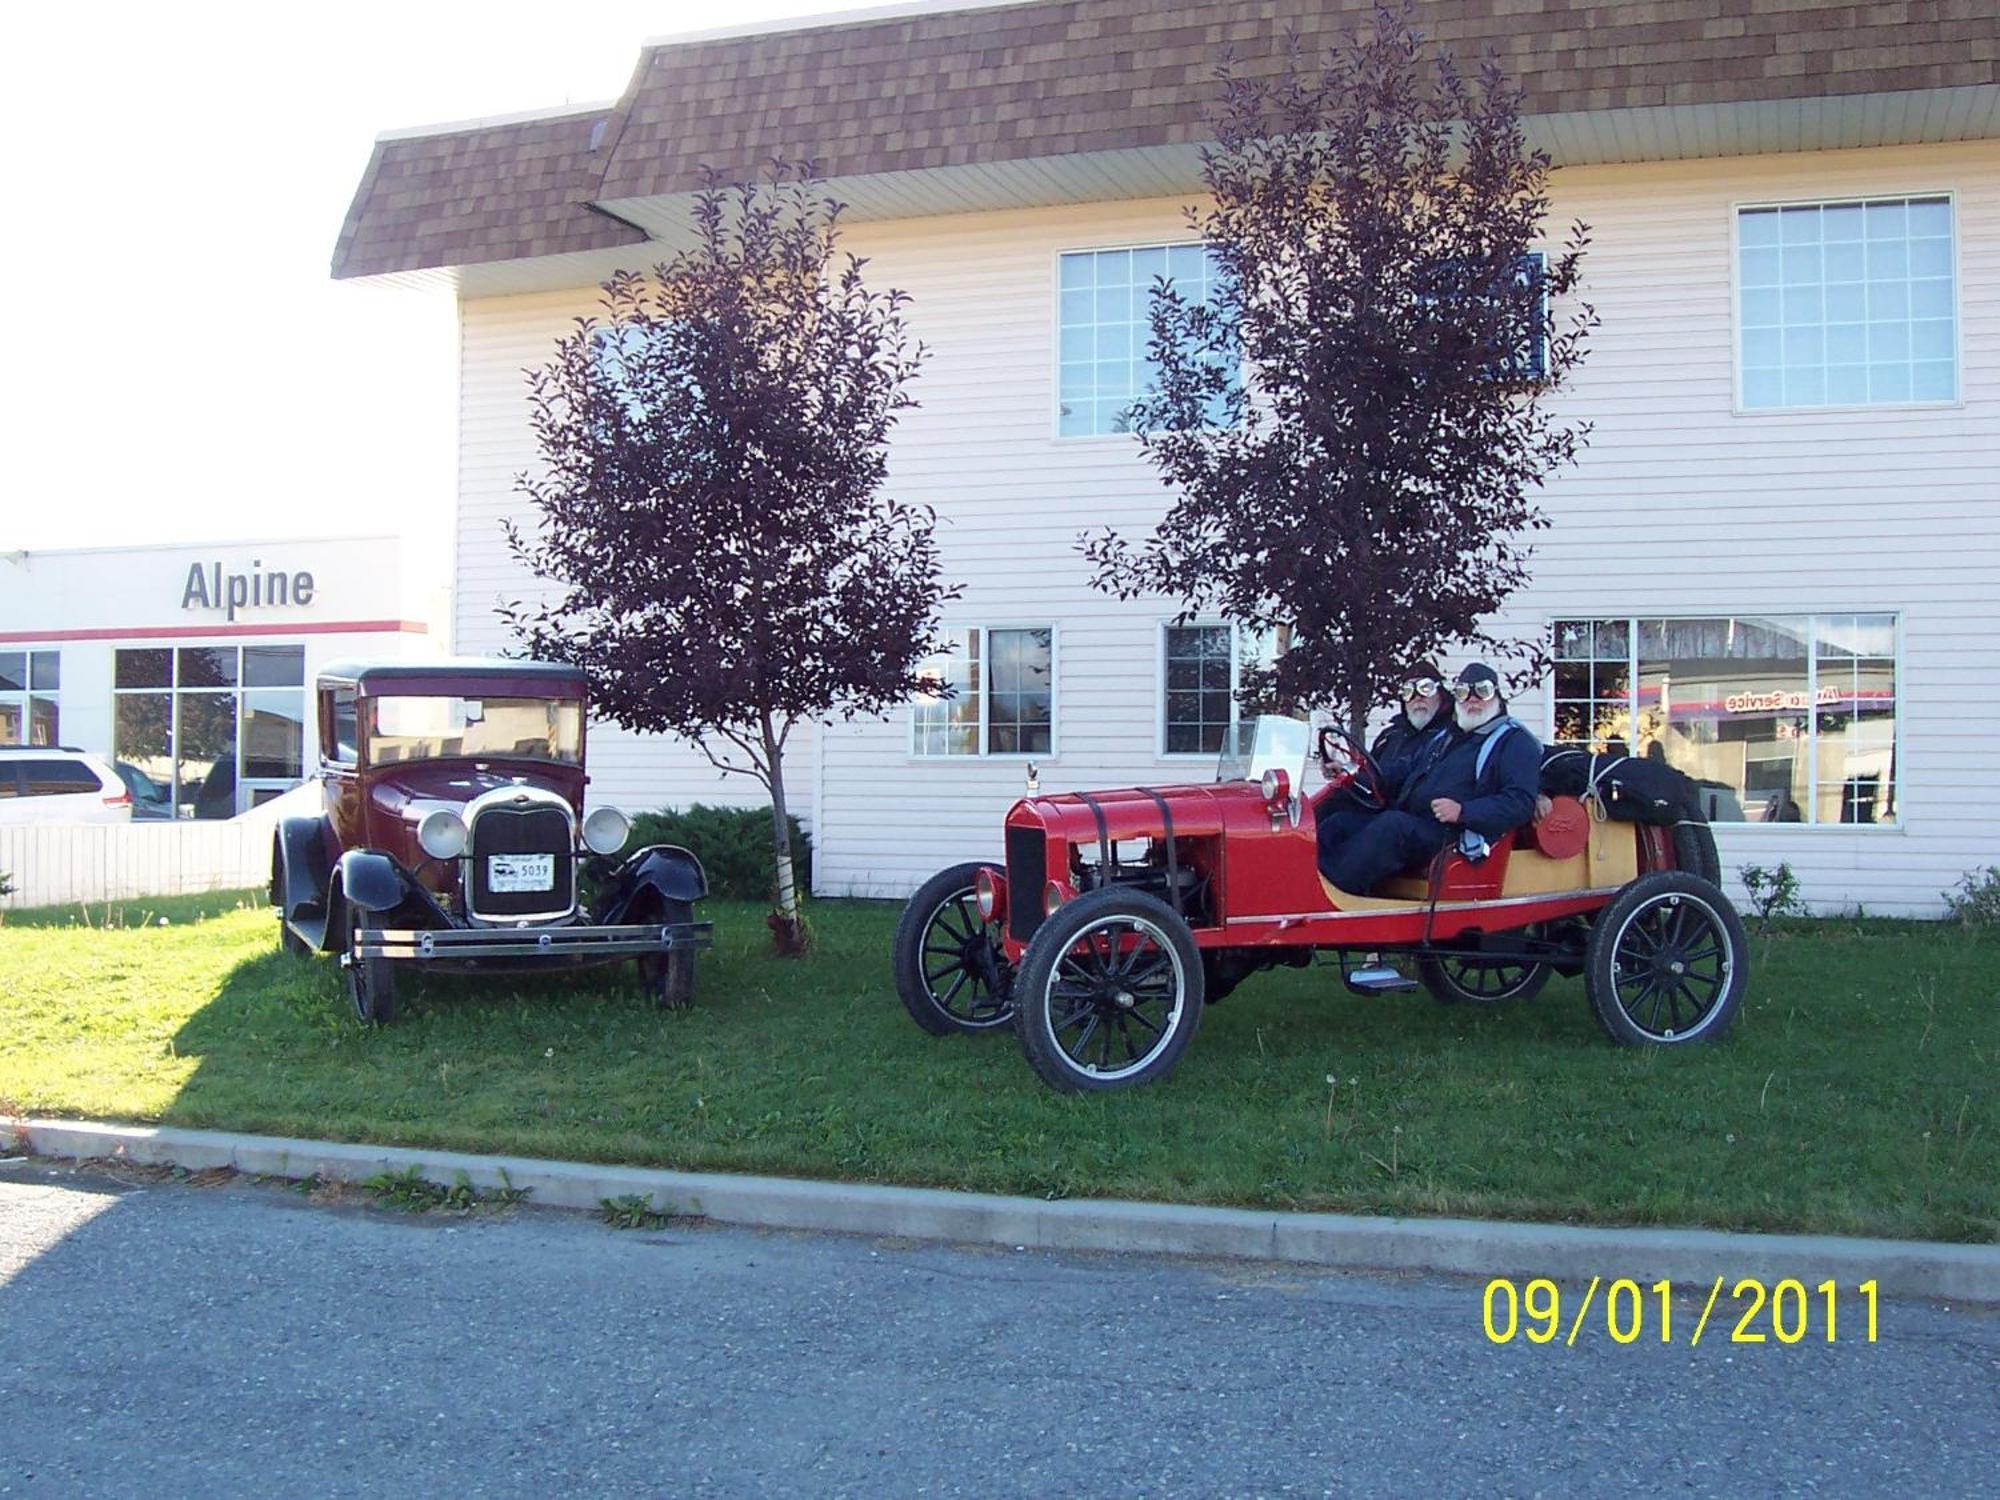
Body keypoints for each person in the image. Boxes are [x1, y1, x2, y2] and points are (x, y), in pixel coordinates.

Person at [1317, 663, 1543, 896]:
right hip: (1418, 823)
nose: (1472, 700)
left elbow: (1520, 802)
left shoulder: (1513, 741)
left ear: (1496, 695)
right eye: (1464, 693)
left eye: (1482, 692)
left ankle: (1330, 895)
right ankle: (1305, 885)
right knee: (1338, 824)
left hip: (1455, 835)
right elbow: (1401, 770)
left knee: (1392, 827)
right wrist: (1353, 773)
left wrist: (1463, 811)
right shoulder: (1447, 737)